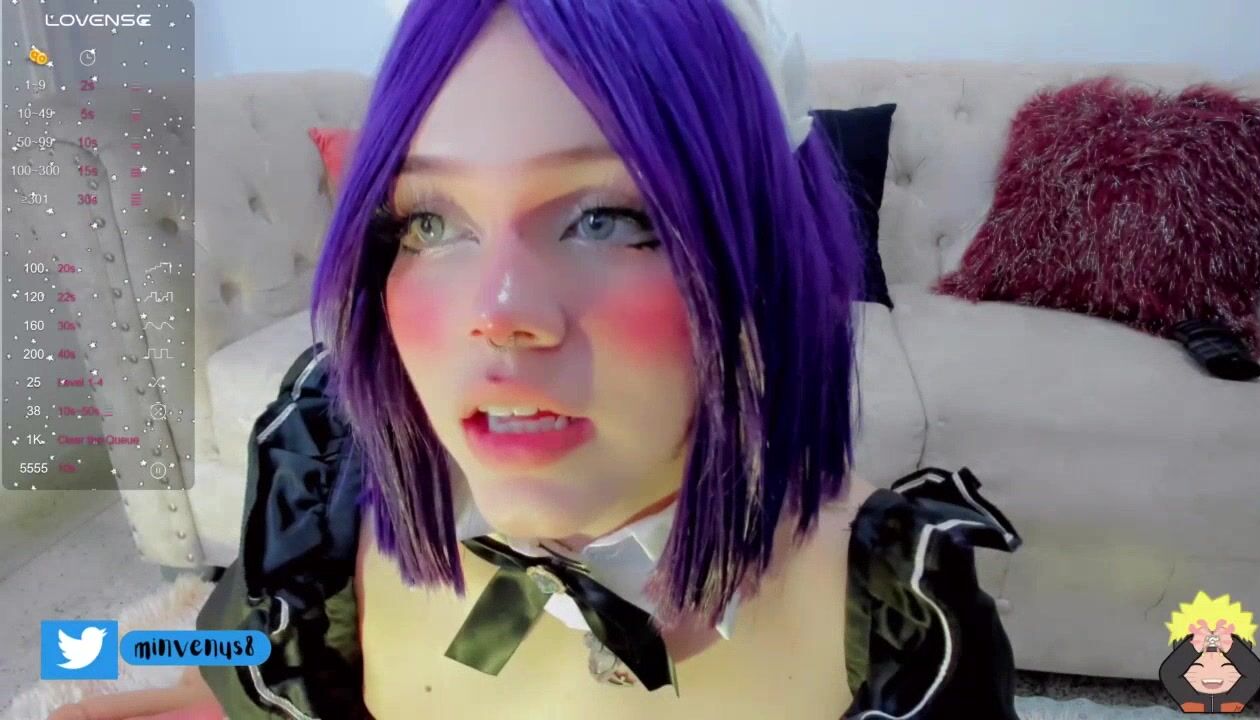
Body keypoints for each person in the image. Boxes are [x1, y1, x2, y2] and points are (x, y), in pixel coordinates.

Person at [51, 1, 1023, 718]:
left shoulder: (897, 627)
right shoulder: (328, 499)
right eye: (431, 222)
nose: (498, 316)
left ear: (760, 264)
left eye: (607, 218)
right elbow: (242, 668)